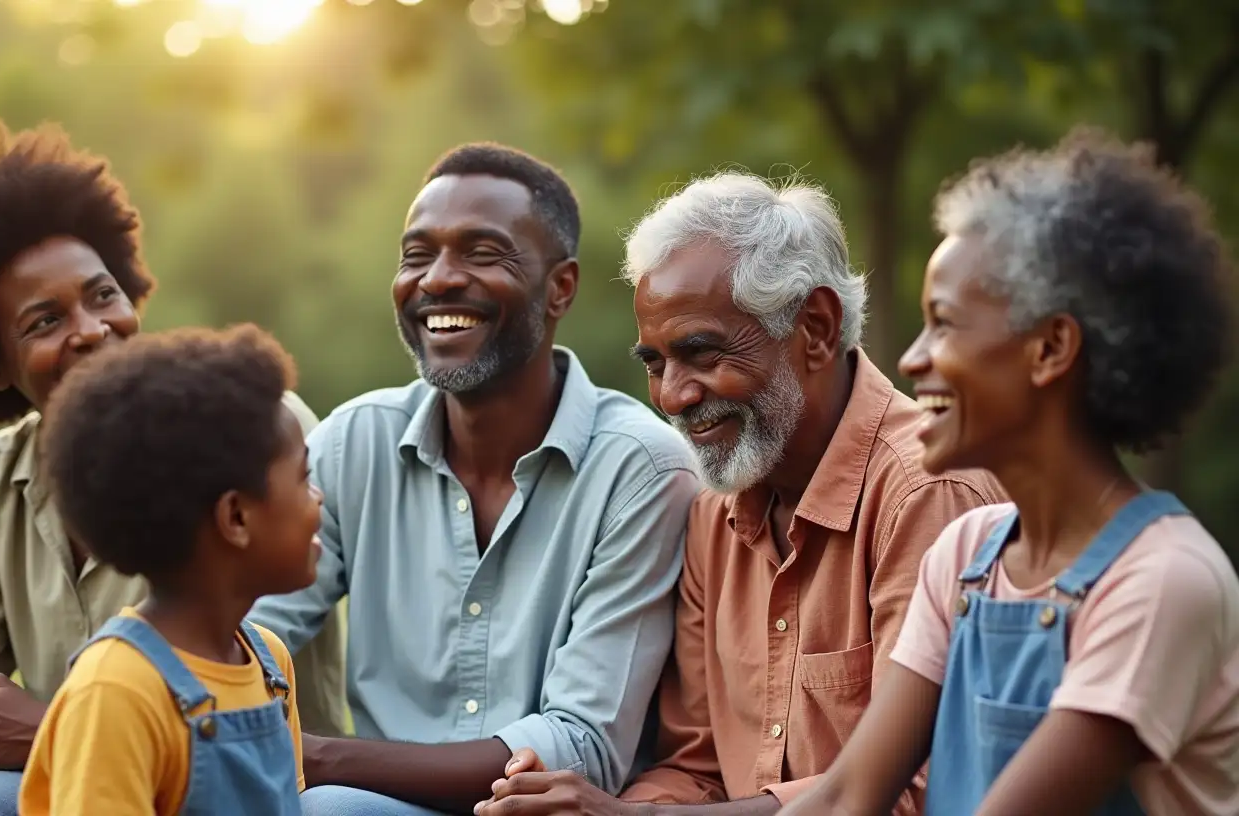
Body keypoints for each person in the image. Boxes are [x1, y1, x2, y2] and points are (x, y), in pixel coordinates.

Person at [0, 121, 344, 816]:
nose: (89, 327)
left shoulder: (249, 423)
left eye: (102, 294)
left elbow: (226, 684)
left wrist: (43, 724)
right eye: (44, 321)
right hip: (74, 773)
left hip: (222, 775)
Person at [477, 172, 1006, 816]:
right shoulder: (712, 511)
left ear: (815, 327)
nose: (674, 395)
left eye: (701, 353)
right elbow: (694, 765)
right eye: (655, 363)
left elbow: (918, 790)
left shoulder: (925, 493)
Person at [779, 130, 1239, 815]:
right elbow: (847, 796)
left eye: (944, 323)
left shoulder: (1163, 581)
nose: (911, 359)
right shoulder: (967, 556)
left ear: (1050, 347)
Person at [249, 142, 700, 815]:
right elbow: (241, 632)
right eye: (416, 255)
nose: (437, 279)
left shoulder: (641, 468)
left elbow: (583, 744)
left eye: (482, 253)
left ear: (561, 288)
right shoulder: (354, 443)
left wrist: (316, 759)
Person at [18, 325, 317, 815]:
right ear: (236, 517)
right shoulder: (114, 689)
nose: (319, 502)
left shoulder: (270, 665)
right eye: (305, 479)